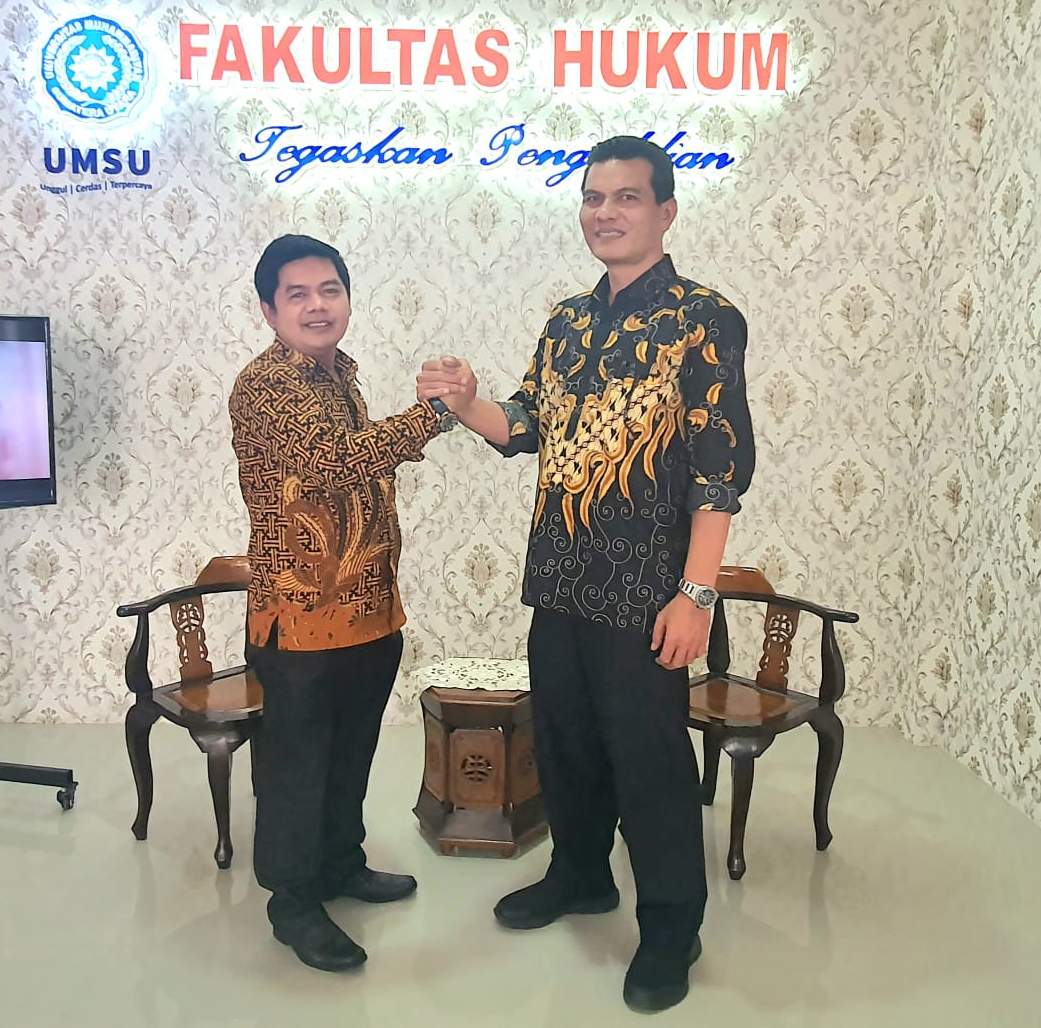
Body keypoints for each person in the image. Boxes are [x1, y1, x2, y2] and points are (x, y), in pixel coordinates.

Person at [416, 135, 755, 1013]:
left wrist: (697, 594)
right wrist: (466, 402)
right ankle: (580, 875)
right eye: (593, 198)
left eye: (626, 197)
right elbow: (524, 424)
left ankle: (671, 926)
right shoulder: (567, 321)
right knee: (565, 747)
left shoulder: (703, 318)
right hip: (562, 581)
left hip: (648, 594)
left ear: (665, 211)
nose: (605, 213)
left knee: (649, 765)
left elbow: (719, 472)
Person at [229, 234, 447, 973]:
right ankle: (292, 902)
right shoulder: (266, 385)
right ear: (269, 310)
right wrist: (433, 415)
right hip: (298, 616)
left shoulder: (340, 376)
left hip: (367, 607)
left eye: (330, 290)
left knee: (350, 753)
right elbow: (333, 463)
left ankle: (340, 864)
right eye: (298, 294)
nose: (318, 306)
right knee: (296, 767)